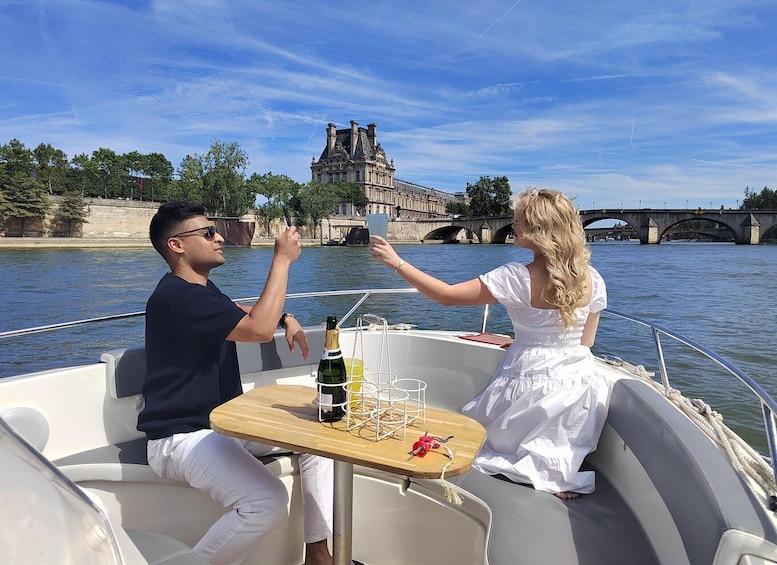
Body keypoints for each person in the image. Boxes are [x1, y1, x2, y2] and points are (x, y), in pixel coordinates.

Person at [369, 188, 609, 499]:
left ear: (539, 232)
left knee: (472, 437)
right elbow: (584, 342)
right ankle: (551, 468)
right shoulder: (594, 278)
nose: (514, 225)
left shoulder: (516, 277)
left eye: (520, 221)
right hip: (577, 387)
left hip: (532, 381)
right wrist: (533, 340)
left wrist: (397, 262)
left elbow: (446, 296)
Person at [138, 201, 334, 565]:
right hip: (181, 437)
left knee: (317, 442)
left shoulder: (199, 291)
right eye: (207, 232)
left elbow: (244, 312)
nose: (219, 238)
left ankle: (318, 556)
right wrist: (282, 260)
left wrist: (286, 317)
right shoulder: (177, 297)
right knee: (266, 500)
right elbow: (258, 329)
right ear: (176, 245)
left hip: (222, 426)